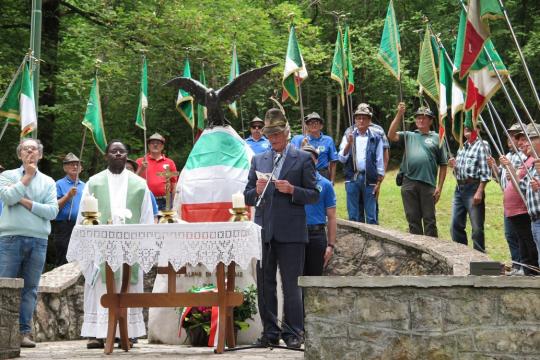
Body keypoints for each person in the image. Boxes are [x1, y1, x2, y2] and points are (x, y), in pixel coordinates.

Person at [244, 108, 319, 348]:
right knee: (265, 285)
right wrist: (255, 190)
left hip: (292, 233)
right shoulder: (258, 159)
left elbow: (314, 194)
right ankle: (269, 332)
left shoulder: (303, 158)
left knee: (291, 286)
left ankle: (293, 333)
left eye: (277, 134)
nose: (273, 139)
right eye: (269, 135)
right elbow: (247, 196)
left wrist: (293, 190)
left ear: (287, 133)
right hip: (264, 231)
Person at [78, 140, 154, 349]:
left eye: (122, 151)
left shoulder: (139, 184)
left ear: (127, 155)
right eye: (114, 151)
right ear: (106, 156)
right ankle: (96, 332)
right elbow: (83, 215)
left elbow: (147, 217)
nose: (118, 154)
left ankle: (127, 333)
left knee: (128, 286)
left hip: (131, 247)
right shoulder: (94, 182)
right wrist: (86, 241)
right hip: (101, 247)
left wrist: (145, 244)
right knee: (99, 287)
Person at [0, 138, 59, 348]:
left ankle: (23, 333)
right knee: (5, 286)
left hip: (39, 239)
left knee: (30, 289)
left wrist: (24, 201)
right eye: (26, 149)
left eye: (34, 149)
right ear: (19, 155)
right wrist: (27, 177)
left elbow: (52, 211)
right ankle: (2, 334)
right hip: (10, 239)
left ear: (40, 155)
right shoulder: (7, 176)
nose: (30, 152)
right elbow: (7, 198)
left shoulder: (49, 182)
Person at [388, 103, 448, 237]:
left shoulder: (437, 138)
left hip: (428, 183)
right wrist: (399, 114)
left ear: (431, 120)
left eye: (424, 118)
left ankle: (432, 250)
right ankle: (417, 251)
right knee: (412, 219)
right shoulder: (409, 135)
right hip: (408, 181)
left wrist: (439, 187)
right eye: (418, 117)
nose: (421, 120)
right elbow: (391, 135)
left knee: (429, 219)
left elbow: (443, 164)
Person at [488, 123, 526, 274]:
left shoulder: (523, 156)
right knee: (510, 235)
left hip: (520, 203)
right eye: (509, 135)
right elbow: (501, 180)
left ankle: (524, 265)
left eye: (514, 135)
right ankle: (517, 264)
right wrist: (494, 168)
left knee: (521, 235)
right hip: (508, 203)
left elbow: (519, 178)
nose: (510, 138)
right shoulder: (507, 156)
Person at [338, 104, 385, 224]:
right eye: (358, 118)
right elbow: (341, 158)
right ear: (355, 120)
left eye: (364, 118)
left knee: (371, 215)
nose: (361, 120)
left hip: (370, 179)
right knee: (353, 215)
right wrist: (349, 143)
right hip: (352, 178)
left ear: (369, 120)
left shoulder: (376, 137)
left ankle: (373, 241)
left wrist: (379, 182)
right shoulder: (348, 134)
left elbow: (379, 160)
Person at [448, 123, 491, 252]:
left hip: (474, 188)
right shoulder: (462, 147)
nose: (466, 128)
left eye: (470, 126)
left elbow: (485, 172)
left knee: (477, 228)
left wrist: (479, 191)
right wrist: (454, 166)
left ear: (478, 129)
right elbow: (458, 173)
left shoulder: (482, 145)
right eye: (465, 126)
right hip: (459, 188)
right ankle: (462, 255)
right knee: (455, 225)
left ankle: (479, 258)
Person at [301, 144, 336, 275]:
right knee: (295, 280)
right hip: (296, 235)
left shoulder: (326, 184)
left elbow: (332, 217)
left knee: (315, 280)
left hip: (316, 236)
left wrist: (331, 245)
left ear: (316, 161)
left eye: (310, 159)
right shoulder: (291, 183)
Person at [53, 153, 85, 266]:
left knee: (80, 257)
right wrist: (68, 196)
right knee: (64, 257)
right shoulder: (58, 184)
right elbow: (54, 207)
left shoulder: (85, 186)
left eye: (77, 165)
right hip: (64, 226)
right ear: (65, 168)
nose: (75, 167)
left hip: (81, 225)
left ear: (81, 168)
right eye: (71, 164)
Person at [291, 112, 338, 183]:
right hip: (307, 173)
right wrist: (302, 146)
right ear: (307, 126)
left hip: (323, 173)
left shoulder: (328, 140)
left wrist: (332, 180)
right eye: (310, 123)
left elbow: (333, 162)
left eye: (316, 122)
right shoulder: (302, 140)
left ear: (321, 126)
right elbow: (295, 159)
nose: (313, 125)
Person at [136, 132, 178, 211]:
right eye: (152, 143)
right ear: (148, 146)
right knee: (148, 222)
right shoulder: (140, 161)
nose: (155, 145)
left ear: (162, 146)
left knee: (164, 222)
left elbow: (174, 185)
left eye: (158, 143)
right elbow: (133, 180)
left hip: (166, 201)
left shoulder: (170, 162)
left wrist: (174, 204)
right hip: (146, 199)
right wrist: (141, 169)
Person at [126, 158, 159, 222]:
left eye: (130, 169)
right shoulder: (114, 191)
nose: (128, 171)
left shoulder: (145, 191)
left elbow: (154, 216)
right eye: (125, 169)